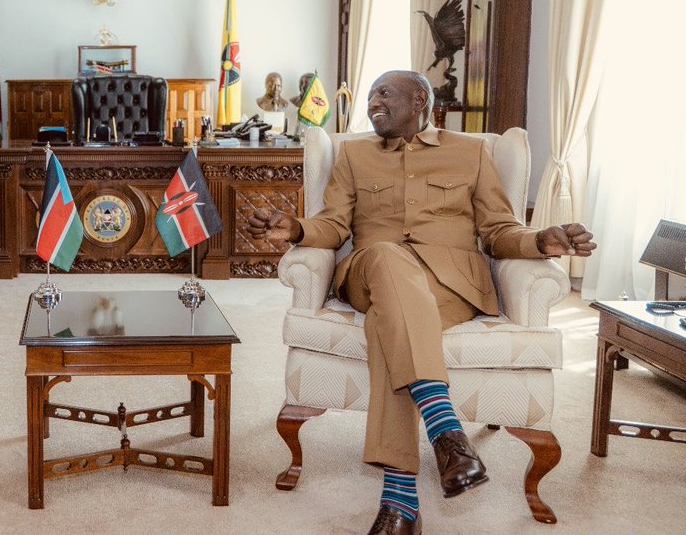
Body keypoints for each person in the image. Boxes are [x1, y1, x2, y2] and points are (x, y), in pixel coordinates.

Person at [247, 70, 595, 535]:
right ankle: (443, 424)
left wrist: (540, 240)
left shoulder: (470, 153)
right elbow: (332, 224)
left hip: (448, 286)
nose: (373, 101)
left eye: (384, 93)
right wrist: (295, 229)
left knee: (386, 328)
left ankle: (401, 501)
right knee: (389, 257)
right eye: (371, 94)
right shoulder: (353, 155)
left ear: (420, 101)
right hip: (370, 272)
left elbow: (497, 231)